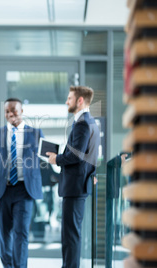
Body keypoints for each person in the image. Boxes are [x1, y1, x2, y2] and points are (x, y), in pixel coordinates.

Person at [46, 86, 100, 268]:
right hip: (78, 185)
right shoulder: (89, 122)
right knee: (71, 235)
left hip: (74, 186)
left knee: (70, 236)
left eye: (69, 98)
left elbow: (76, 155)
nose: (66, 101)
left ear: (80, 101)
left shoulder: (83, 123)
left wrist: (56, 159)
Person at [0, 98, 44, 268]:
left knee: (21, 233)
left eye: (13, 110)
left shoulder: (35, 133)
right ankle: (8, 265)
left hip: (24, 189)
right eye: (7, 111)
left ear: (22, 111)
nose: (10, 114)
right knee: (4, 234)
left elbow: (46, 158)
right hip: (2, 189)